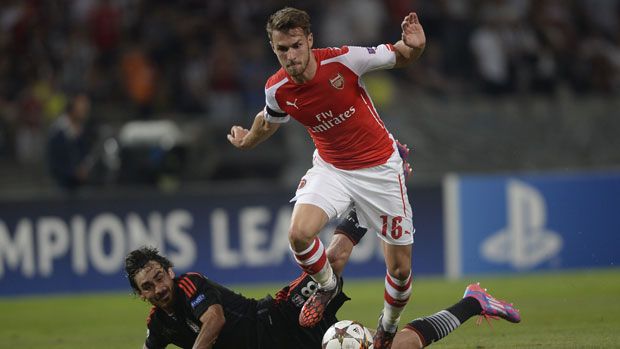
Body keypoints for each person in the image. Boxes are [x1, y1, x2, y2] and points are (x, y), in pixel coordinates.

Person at [227, 7, 426, 348]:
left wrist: (417, 46)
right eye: (281, 50)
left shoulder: (344, 60)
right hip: (332, 169)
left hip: (379, 170)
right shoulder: (277, 88)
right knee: (299, 234)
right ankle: (327, 286)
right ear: (274, 49)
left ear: (309, 40)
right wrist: (247, 140)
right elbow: (269, 119)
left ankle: (388, 328)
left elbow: (401, 55)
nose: (290, 56)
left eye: (295, 46)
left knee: (400, 270)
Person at [125, 243, 351, 349]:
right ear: (140, 294)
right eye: (147, 286)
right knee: (347, 342)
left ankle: (358, 217)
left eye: (159, 277)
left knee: (330, 263)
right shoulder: (158, 323)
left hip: (277, 320)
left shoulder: (188, 284)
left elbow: (214, 320)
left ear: (170, 272)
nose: (158, 288)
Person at [46, 93, 95, 191]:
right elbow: (54, 164)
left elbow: (85, 155)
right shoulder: (58, 131)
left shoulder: (82, 130)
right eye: (82, 105)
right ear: (72, 107)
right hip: (61, 187)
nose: (85, 109)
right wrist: (73, 173)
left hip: (80, 186)